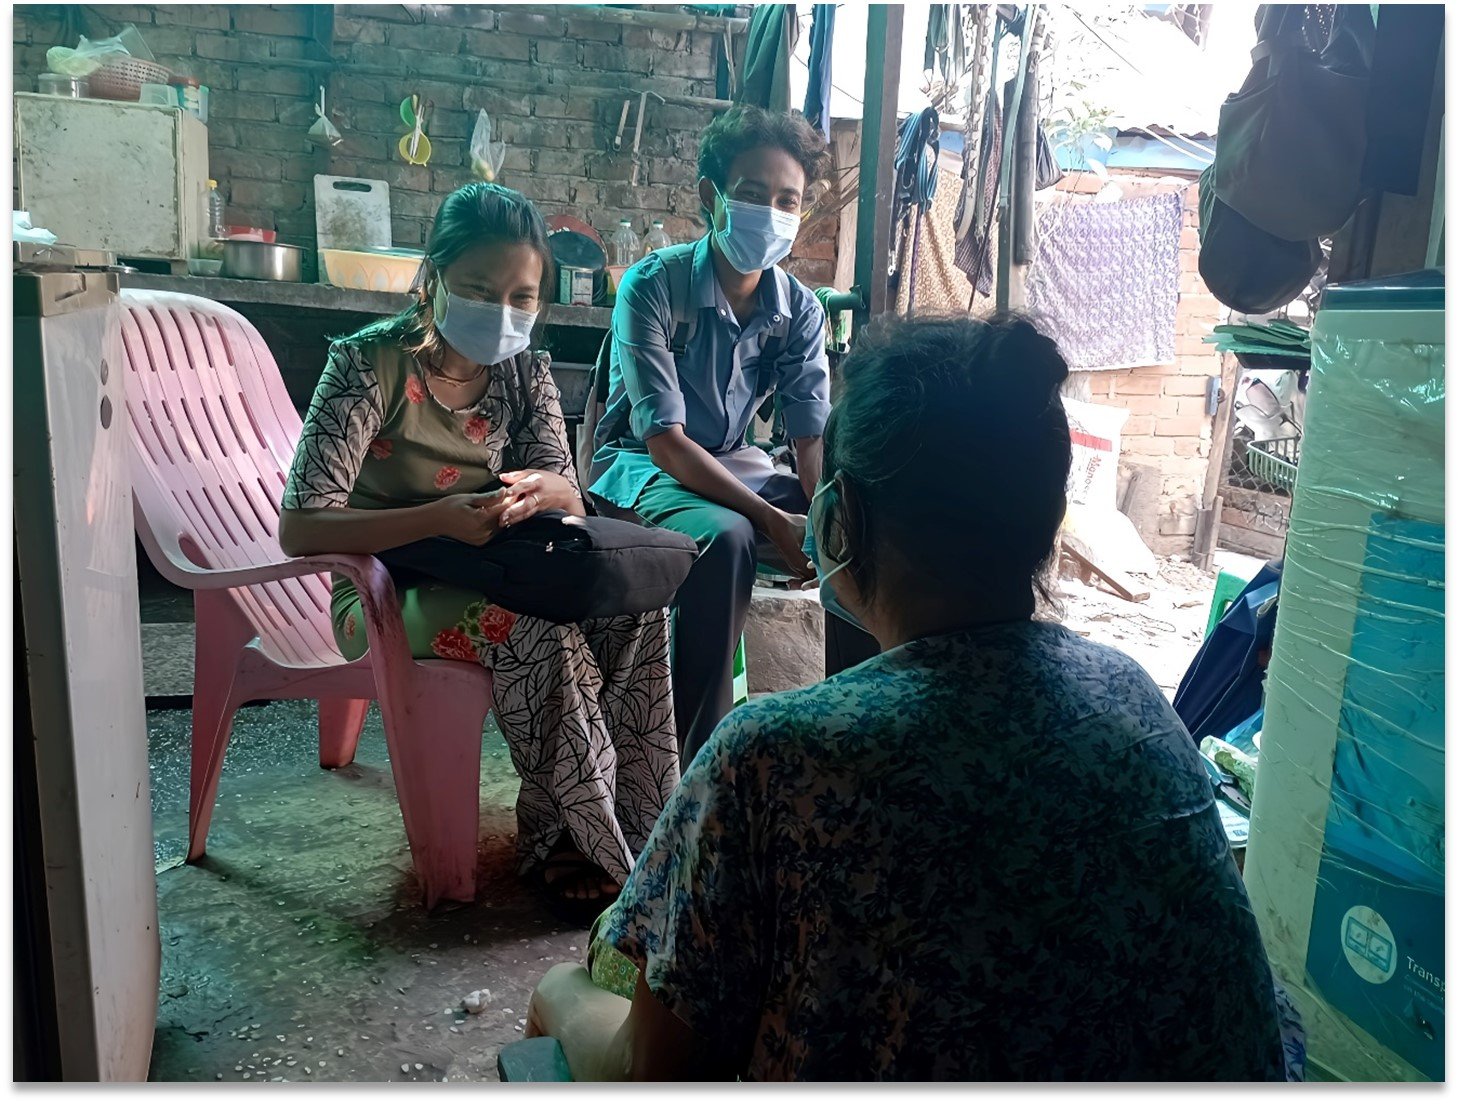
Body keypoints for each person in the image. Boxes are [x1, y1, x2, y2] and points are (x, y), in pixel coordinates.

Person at [525, 315, 1299, 1081]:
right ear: (1046, 523)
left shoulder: (772, 760)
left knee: (575, 997)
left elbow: (651, 1075)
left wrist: (560, 996)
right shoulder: (1131, 699)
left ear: (837, 518)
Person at [279, 183, 678, 921]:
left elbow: (563, 483)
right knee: (539, 631)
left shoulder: (523, 370)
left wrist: (554, 496)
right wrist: (437, 519)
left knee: (638, 612)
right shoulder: (369, 367)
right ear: (432, 277)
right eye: (477, 290)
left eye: (522, 297)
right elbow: (302, 527)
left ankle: (643, 826)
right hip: (387, 592)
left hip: (500, 566)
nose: (502, 313)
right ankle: (570, 839)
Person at [587, 104, 877, 766]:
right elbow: (663, 441)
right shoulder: (653, 287)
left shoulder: (799, 310)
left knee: (859, 533)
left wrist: (823, 516)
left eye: (787, 199)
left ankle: (858, 737)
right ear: (709, 196)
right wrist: (776, 522)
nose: (771, 212)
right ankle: (700, 762)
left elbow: (810, 441)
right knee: (728, 537)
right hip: (641, 468)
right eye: (751, 194)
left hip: (735, 465)